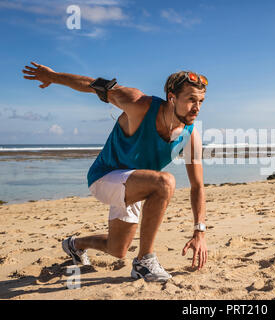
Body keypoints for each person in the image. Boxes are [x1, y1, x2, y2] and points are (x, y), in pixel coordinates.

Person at [22, 61, 208, 282]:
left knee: (117, 248)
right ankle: (144, 262)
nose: (197, 108)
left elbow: (197, 186)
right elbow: (94, 85)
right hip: (104, 177)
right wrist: (53, 76)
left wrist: (200, 232)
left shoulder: (190, 135)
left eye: (201, 101)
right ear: (172, 97)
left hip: (136, 183)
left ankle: (74, 245)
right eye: (191, 100)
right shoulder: (139, 104)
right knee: (165, 182)